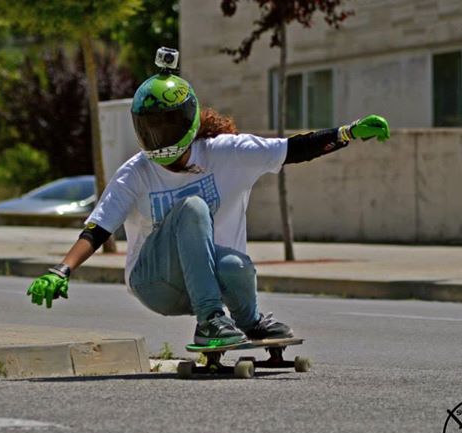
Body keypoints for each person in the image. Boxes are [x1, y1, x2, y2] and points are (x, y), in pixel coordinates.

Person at [26, 61, 390, 347]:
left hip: (210, 280)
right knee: (192, 208)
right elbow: (98, 226)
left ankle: (248, 321)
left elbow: (292, 149)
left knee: (234, 262)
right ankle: (210, 321)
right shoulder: (135, 172)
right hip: (156, 281)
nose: (158, 139)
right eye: (149, 128)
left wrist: (346, 133)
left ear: (188, 122)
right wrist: (62, 269)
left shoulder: (227, 153)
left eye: (166, 128)